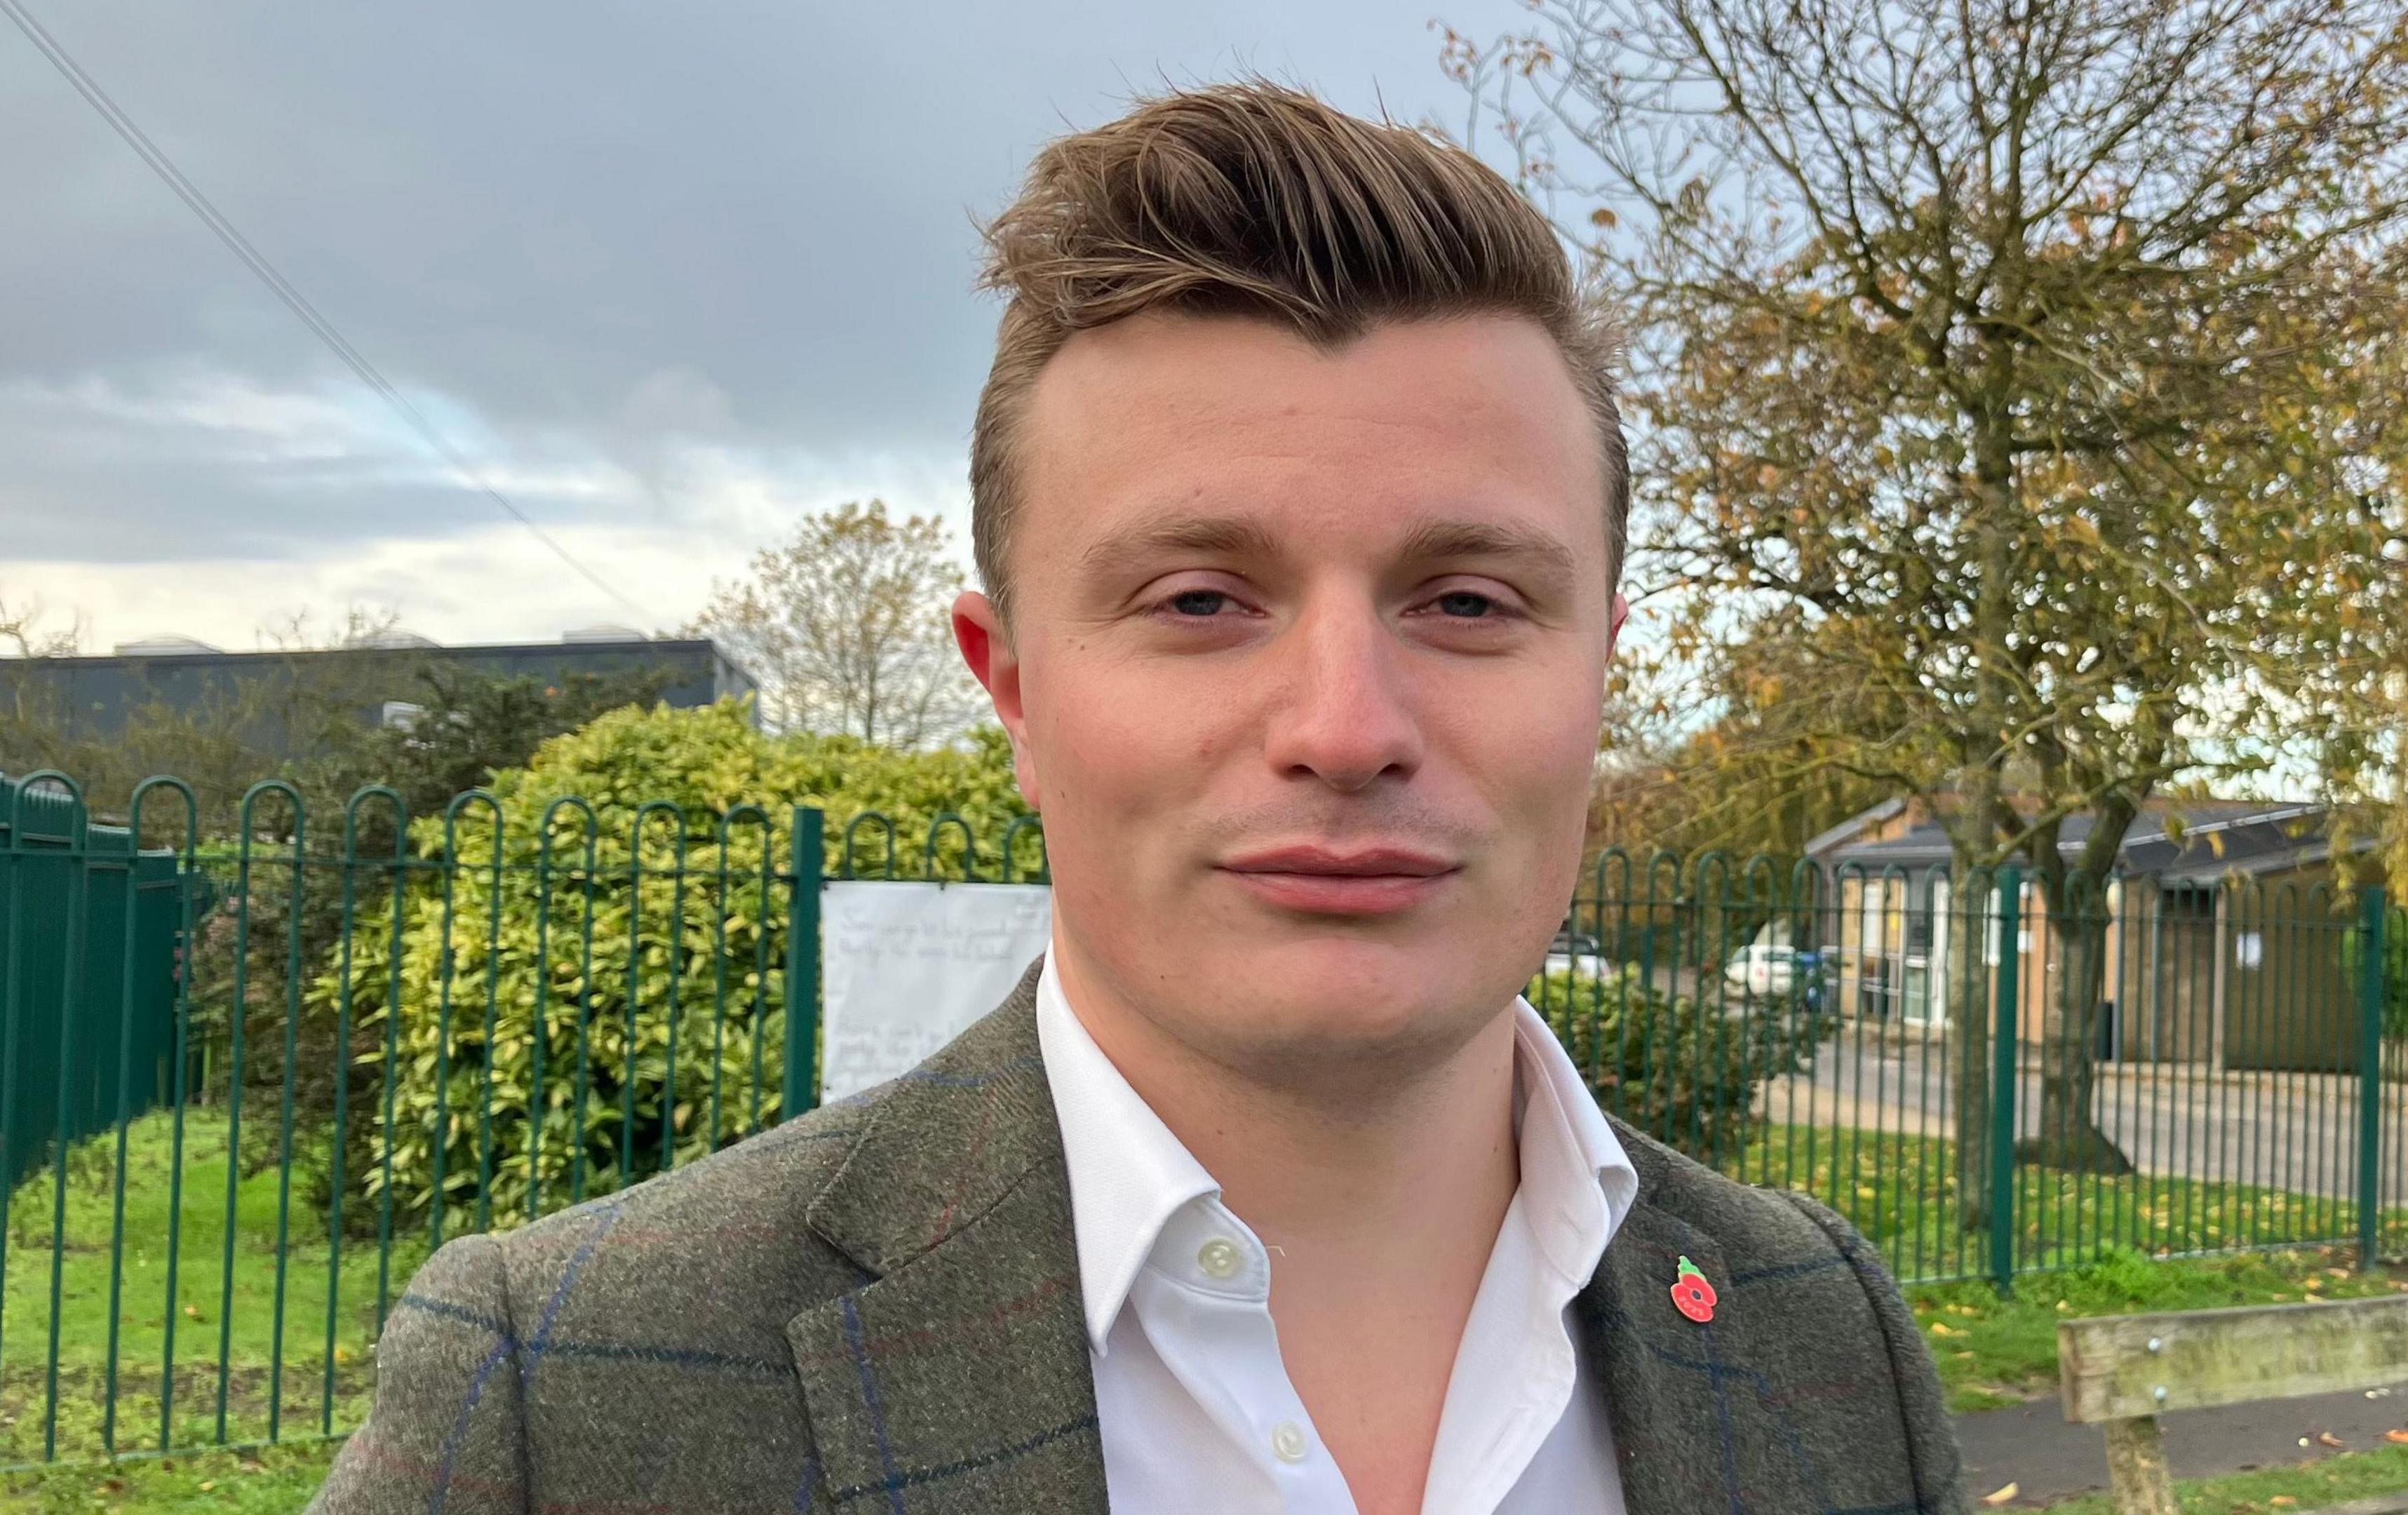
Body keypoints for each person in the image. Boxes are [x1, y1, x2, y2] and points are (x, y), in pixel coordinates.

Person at [309, 82, 1963, 1515]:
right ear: (1014, 686)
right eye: (1198, 600)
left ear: (1601, 664)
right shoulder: (574, 1389)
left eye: (1467, 602)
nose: (1344, 728)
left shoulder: (1821, 1337)